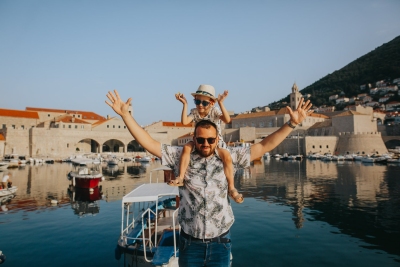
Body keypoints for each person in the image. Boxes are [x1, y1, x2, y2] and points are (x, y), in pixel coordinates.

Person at [106, 89, 313, 267]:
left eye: (211, 139)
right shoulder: (180, 156)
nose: (206, 143)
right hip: (190, 244)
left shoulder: (227, 157)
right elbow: (149, 143)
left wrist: (291, 124)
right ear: (194, 139)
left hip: (220, 243)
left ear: (217, 139)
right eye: (201, 139)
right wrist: (126, 116)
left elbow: (263, 146)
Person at [172, 85, 244, 203]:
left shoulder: (214, 111)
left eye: (204, 103)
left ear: (211, 103)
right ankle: (180, 177)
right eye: (197, 101)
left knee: (226, 156)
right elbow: (184, 121)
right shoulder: (194, 112)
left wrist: (221, 102)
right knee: (186, 147)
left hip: (215, 142)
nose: (200, 105)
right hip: (199, 141)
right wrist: (184, 104)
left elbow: (226, 119)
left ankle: (231, 187)